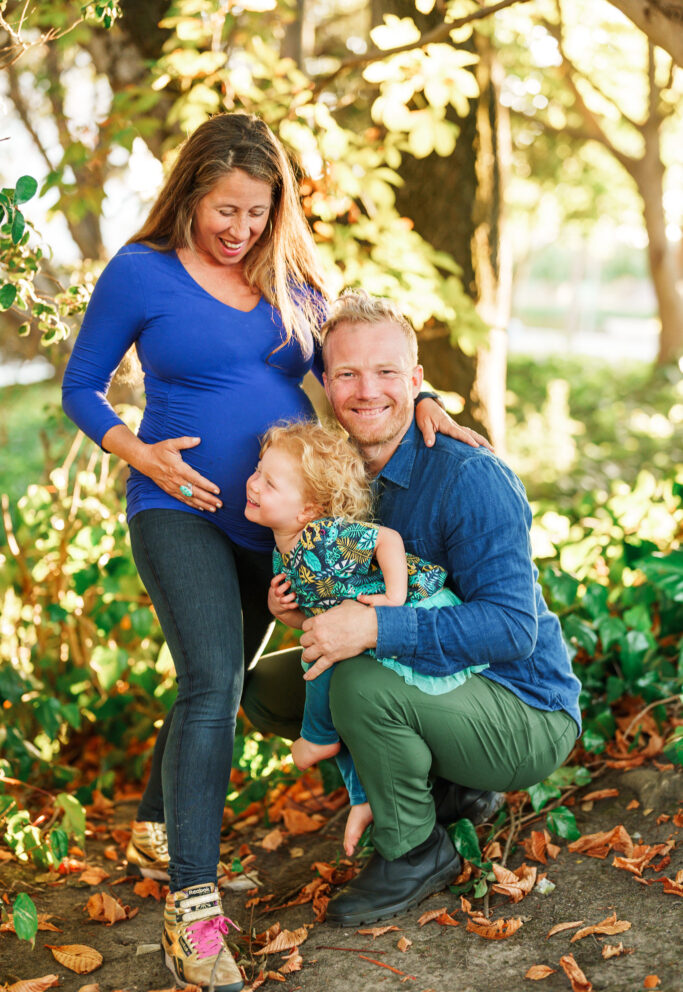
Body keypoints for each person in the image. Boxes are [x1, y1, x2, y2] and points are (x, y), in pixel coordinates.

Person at [61, 112, 489, 991]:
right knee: (213, 679)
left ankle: (157, 827)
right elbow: (81, 383)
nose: (240, 229)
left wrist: (428, 398)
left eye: (257, 212)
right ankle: (194, 910)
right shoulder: (142, 271)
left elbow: (356, 355)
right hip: (174, 504)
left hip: (276, 524)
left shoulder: (292, 278)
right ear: (189, 194)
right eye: (226, 210)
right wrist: (134, 450)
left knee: (215, 674)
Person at [243, 288, 582, 928]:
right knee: (269, 689)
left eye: (387, 373)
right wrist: (290, 605)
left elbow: (512, 628)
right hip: (440, 685)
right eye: (346, 373)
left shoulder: (467, 476)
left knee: (360, 678)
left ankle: (416, 852)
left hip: (524, 706)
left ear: (416, 381)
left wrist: (374, 625)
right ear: (326, 382)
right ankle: (435, 789)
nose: (367, 390)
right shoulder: (337, 473)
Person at [244, 420, 489, 855]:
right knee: (322, 663)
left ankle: (319, 738)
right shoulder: (283, 548)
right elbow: (316, 620)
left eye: (269, 481)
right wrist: (283, 611)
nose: (253, 483)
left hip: (413, 612)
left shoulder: (326, 536)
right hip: (357, 634)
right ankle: (361, 796)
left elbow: (387, 539)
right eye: (258, 470)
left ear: (307, 509)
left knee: (321, 670)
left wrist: (393, 597)